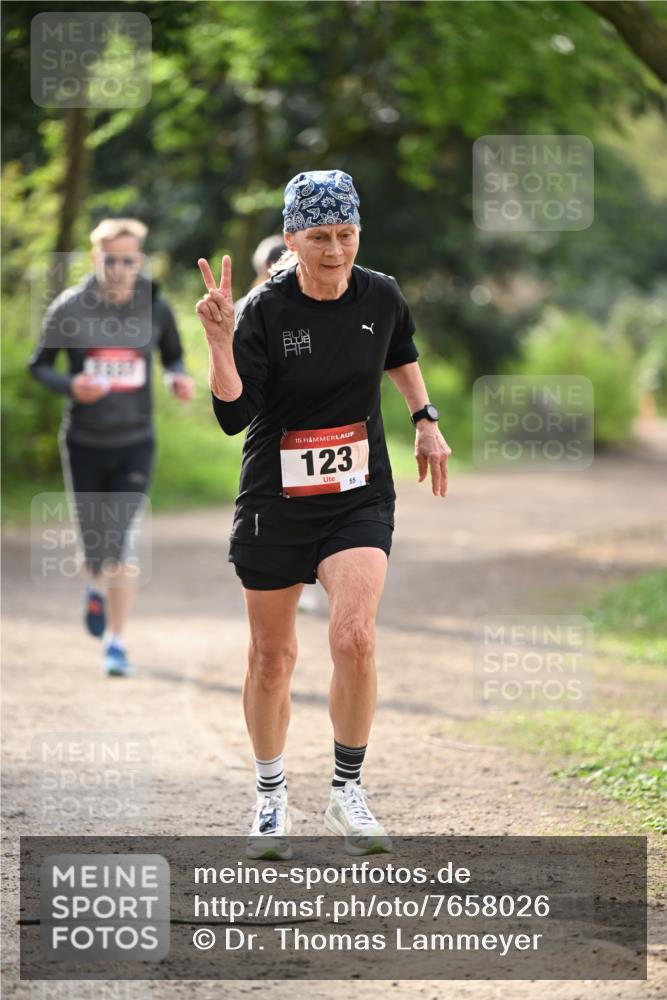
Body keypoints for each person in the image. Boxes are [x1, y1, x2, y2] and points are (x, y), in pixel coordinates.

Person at [196, 169, 450, 858]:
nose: (335, 250)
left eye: (345, 234)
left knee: (355, 636)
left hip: (357, 495)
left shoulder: (381, 294)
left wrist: (424, 419)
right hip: (274, 503)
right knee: (271, 657)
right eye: (318, 237)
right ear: (290, 239)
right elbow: (232, 414)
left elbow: (400, 351)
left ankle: (347, 791)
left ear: (358, 232)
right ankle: (270, 796)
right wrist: (219, 343)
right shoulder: (263, 310)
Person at [29, 217, 194, 677]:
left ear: (140, 261)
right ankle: (95, 586)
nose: (119, 270)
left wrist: (176, 378)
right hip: (84, 441)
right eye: (110, 260)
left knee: (120, 542)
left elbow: (173, 356)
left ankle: (115, 642)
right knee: (94, 547)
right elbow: (39, 365)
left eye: (128, 260)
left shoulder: (155, 307)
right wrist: (71, 385)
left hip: (135, 441)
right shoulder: (69, 307)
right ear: (95, 258)